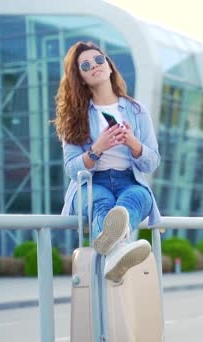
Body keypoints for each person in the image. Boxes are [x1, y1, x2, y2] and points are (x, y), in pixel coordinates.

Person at [54, 41, 161, 282]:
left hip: (128, 179)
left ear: (110, 66)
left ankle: (114, 252)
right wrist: (97, 149)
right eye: (86, 65)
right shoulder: (74, 116)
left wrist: (133, 143)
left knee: (137, 198)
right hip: (92, 183)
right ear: (80, 77)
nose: (95, 66)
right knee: (100, 202)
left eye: (99, 60)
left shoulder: (136, 110)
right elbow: (72, 168)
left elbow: (152, 162)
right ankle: (120, 250)